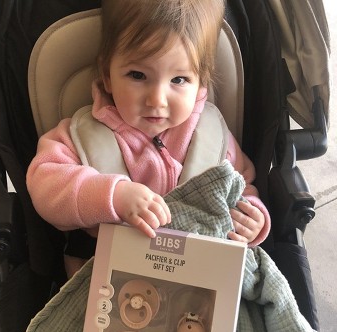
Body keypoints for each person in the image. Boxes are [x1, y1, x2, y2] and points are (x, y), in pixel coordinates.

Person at [26, 0, 270, 276]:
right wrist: (113, 196)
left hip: (197, 276)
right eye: (138, 75)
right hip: (107, 278)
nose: (157, 100)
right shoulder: (81, 135)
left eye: (178, 80)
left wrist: (252, 219)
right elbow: (45, 186)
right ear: (107, 76)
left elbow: (241, 186)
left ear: (201, 80)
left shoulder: (214, 137)